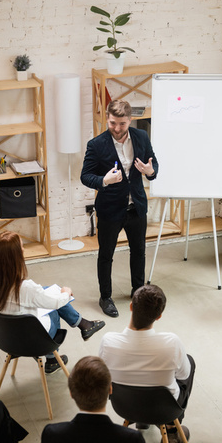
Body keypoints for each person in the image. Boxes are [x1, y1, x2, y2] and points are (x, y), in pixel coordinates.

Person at [0, 231, 105, 374]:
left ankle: (83, 324)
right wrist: (66, 292)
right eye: (21, 248)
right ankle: (53, 359)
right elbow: (56, 303)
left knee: (45, 291)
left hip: (5, 338)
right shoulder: (25, 288)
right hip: (31, 340)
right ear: (14, 257)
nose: (24, 250)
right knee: (56, 306)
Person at [80, 99, 159, 318]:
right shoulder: (96, 144)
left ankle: (138, 293)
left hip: (137, 207)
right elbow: (85, 176)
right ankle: (105, 297)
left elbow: (154, 165)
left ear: (130, 120)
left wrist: (150, 171)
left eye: (122, 124)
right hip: (109, 210)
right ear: (108, 119)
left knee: (139, 252)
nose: (117, 128)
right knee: (106, 255)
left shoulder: (141, 137)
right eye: (113, 123)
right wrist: (104, 180)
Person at [99, 284, 196, 443]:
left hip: (124, 406)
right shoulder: (171, 343)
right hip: (164, 410)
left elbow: (103, 378)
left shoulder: (108, 342)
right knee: (189, 363)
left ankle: (141, 420)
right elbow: (184, 375)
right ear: (158, 316)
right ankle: (173, 430)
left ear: (131, 307)